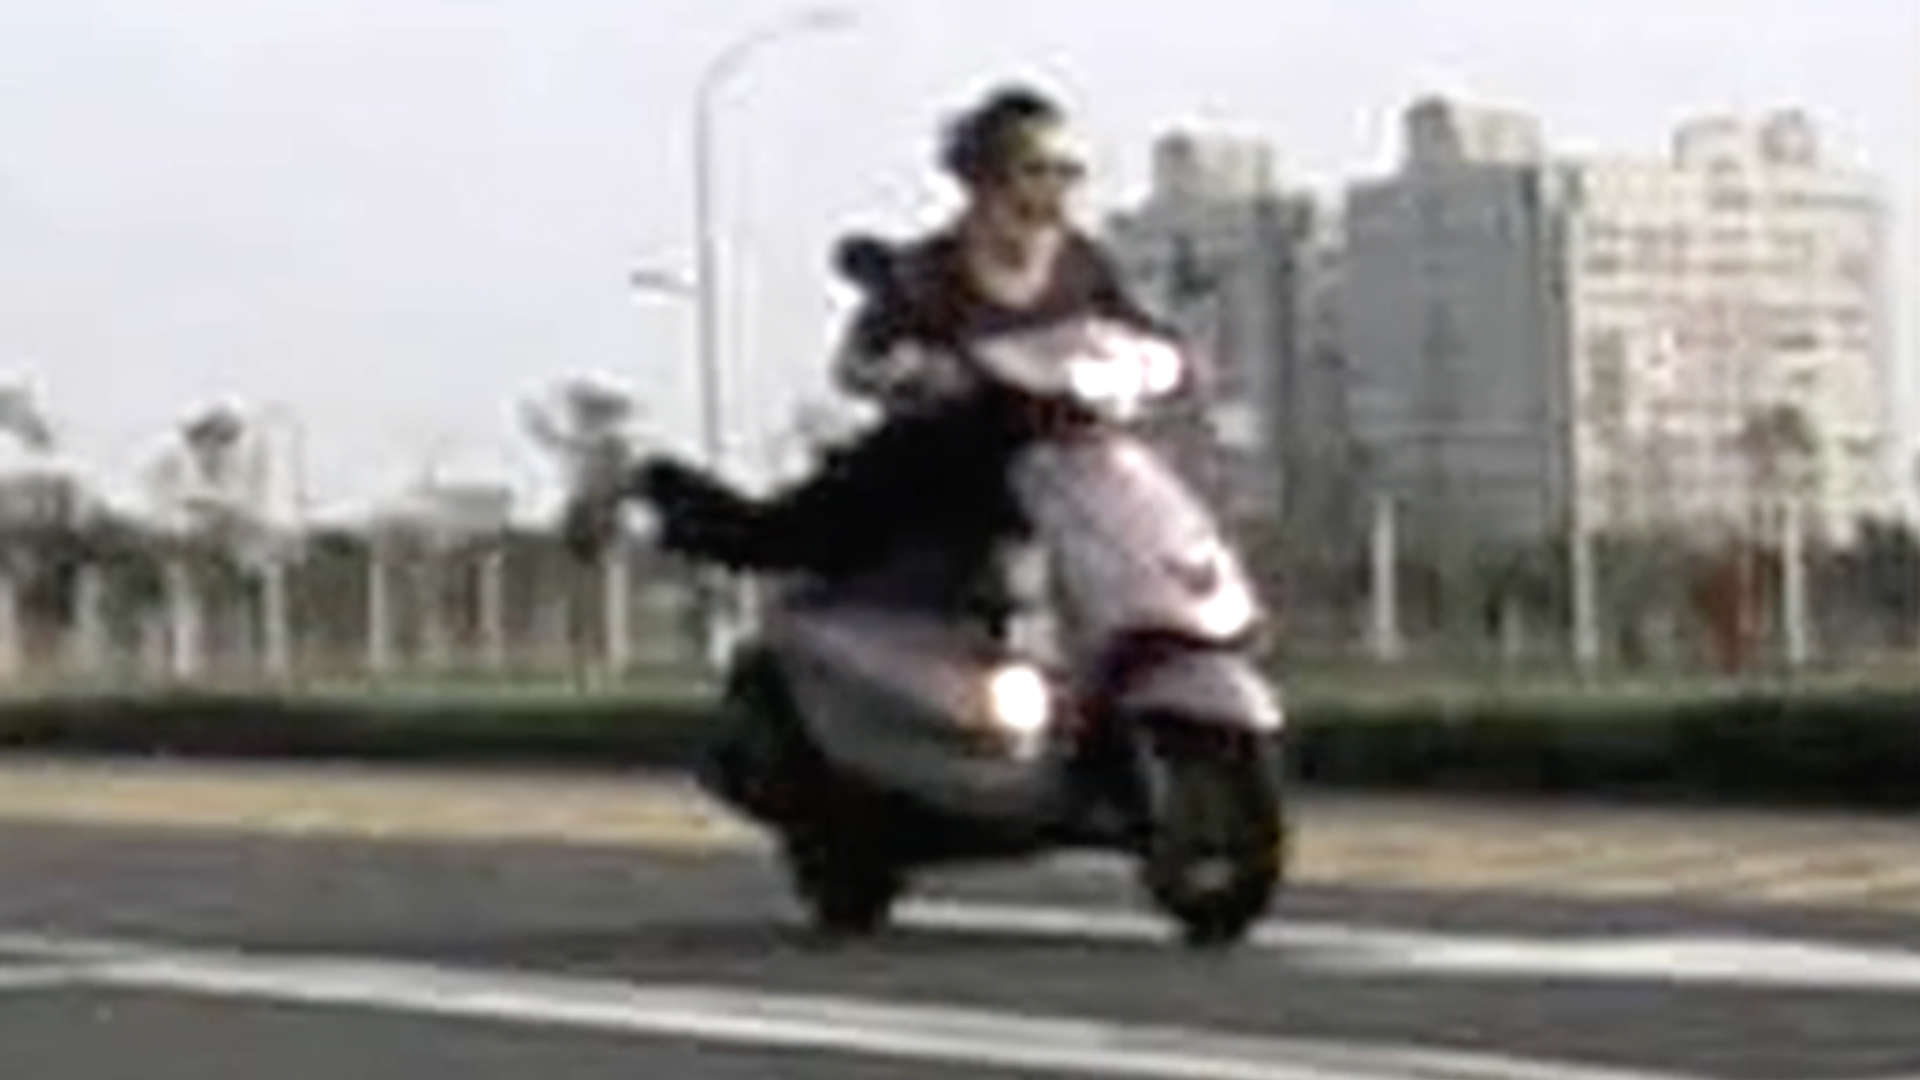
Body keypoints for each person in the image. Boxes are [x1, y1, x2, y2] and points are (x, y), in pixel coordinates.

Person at [574, 84, 1166, 617]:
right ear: (983, 179)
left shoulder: (1085, 265)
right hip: (939, 458)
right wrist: (909, 372)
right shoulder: (929, 270)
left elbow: (1145, 333)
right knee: (774, 537)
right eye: (1033, 173)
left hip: (1068, 459)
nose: (1052, 195)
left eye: (1067, 175)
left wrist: (1156, 365)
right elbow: (858, 360)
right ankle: (648, 480)